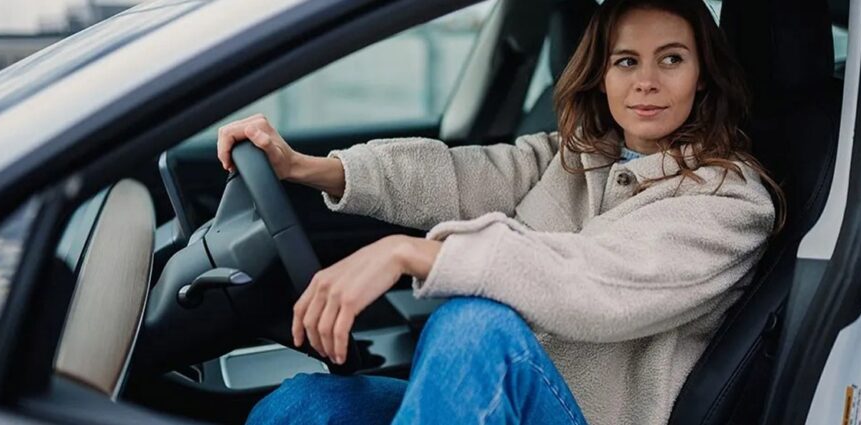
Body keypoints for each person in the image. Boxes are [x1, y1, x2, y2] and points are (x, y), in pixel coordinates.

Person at [215, 0, 783, 423]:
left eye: (672, 59)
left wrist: (408, 253)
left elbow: (591, 278)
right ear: (602, 75)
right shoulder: (577, 156)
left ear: (701, 77)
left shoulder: (731, 201)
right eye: (626, 61)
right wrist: (304, 167)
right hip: (509, 398)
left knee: (473, 329)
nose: (647, 83)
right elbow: (459, 175)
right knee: (307, 406)